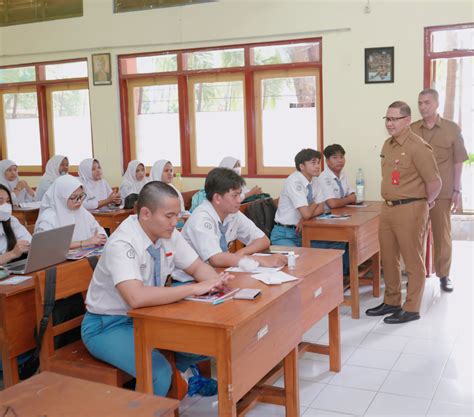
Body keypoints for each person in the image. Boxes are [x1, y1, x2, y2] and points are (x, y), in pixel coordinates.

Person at [81, 181, 230, 397]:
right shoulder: (123, 244)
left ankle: (179, 380)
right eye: (169, 216)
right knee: (158, 371)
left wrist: (217, 281)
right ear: (145, 213)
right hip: (109, 324)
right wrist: (193, 289)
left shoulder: (168, 234)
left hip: (149, 316)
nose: (175, 222)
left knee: (201, 344)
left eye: (177, 215)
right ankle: (158, 391)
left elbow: (197, 267)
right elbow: (136, 297)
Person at [366, 101, 441, 324]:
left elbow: (435, 182)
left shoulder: (418, 146)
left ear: (407, 120)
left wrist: (424, 203)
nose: (389, 123)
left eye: (394, 119)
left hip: (411, 209)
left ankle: (411, 308)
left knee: (412, 261)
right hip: (388, 208)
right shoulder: (388, 145)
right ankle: (391, 301)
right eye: (387, 119)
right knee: (388, 258)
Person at [411, 88, 469, 292]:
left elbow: (459, 161)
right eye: (420, 103)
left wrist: (457, 190)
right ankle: (415, 274)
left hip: (442, 193)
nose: (422, 107)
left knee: (442, 235)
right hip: (416, 194)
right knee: (414, 235)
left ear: (436, 104)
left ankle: (444, 275)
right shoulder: (412, 130)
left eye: (427, 103)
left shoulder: (451, 129)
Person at [182, 167, 286, 269]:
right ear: (217, 198)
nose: (239, 200)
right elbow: (216, 259)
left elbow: (263, 240)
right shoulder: (201, 219)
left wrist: (241, 253)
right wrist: (261, 260)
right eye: (234, 195)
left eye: (240, 194)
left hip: (217, 273)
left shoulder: (231, 213)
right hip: (190, 280)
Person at [270, 149, 325, 247]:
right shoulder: (294, 182)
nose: (317, 166)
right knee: (296, 260)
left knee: (334, 246)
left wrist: (304, 219)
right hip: (284, 234)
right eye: (313, 163)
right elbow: (307, 213)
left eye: (318, 163)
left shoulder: (315, 180)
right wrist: (314, 204)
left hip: (304, 231)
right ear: (302, 166)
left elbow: (321, 208)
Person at [35, 175, 107, 249]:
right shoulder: (49, 217)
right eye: (73, 197)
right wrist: (85, 242)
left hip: (84, 256)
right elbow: (46, 246)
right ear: (61, 198)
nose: (79, 201)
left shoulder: (82, 211)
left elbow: (97, 228)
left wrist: (101, 236)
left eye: (81, 196)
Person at [0, 184, 31, 264]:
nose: (6, 206)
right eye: (0, 202)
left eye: (8, 201)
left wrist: (27, 246)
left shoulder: (12, 220)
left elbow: (29, 242)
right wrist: (13, 253)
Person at [319, 144, 356, 209]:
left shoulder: (343, 174)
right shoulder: (324, 177)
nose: (339, 161)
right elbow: (332, 204)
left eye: (341, 157)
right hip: (328, 216)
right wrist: (349, 199)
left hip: (342, 212)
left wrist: (346, 200)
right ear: (327, 161)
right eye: (335, 157)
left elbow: (353, 195)